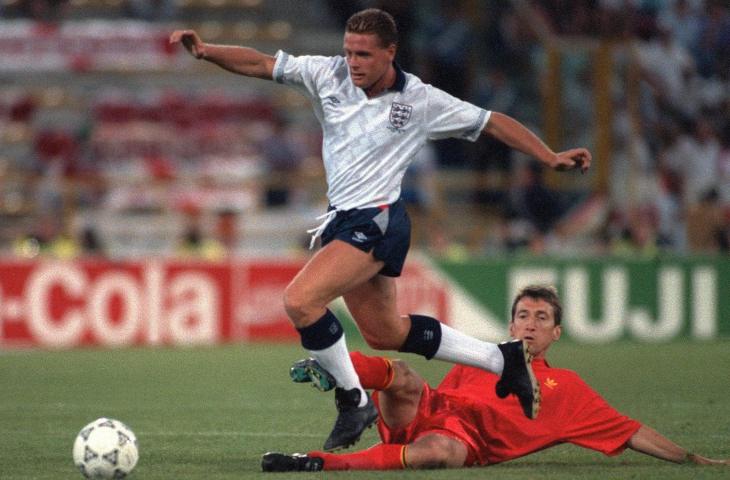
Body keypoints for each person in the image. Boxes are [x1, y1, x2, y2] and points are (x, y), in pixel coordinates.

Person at [170, 8, 591, 452]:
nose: (352, 62)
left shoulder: (421, 101)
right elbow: (260, 63)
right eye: (349, 51)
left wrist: (548, 156)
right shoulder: (325, 74)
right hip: (344, 219)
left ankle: (353, 400)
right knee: (385, 333)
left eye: (364, 54)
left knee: (300, 300)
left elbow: (491, 121)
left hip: (378, 219)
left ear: (391, 52)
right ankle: (499, 357)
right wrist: (205, 51)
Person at [262, 285, 730, 471]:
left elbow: (630, 432)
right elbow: (425, 393)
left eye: (541, 317)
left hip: (466, 443)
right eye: (522, 315)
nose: (529, 323)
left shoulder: (565, 389)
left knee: (440, 450)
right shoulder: (486, 358)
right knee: (403, 376)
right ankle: (343, 376)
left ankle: (320, 462)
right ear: (510, 327)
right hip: (426, 412)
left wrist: (690, 458)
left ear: (556, 332)